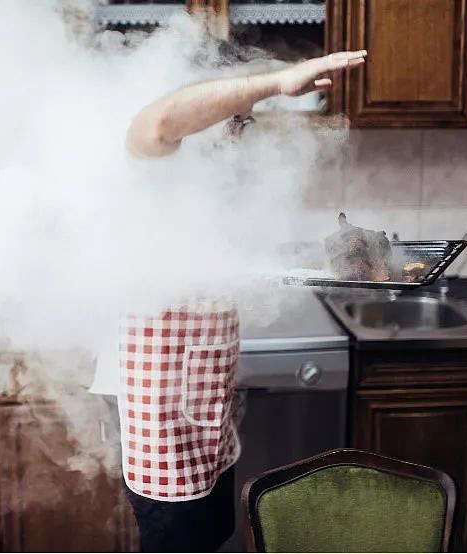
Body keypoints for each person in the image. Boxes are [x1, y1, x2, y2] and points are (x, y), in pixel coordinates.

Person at [118, 48, 367, 552]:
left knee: (214, 539)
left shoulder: (207, 183)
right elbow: (163, 117)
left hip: (206, 421)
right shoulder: (152, 154)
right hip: (165, 435)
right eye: (234, 115)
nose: (239, 129)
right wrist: (276, 82)